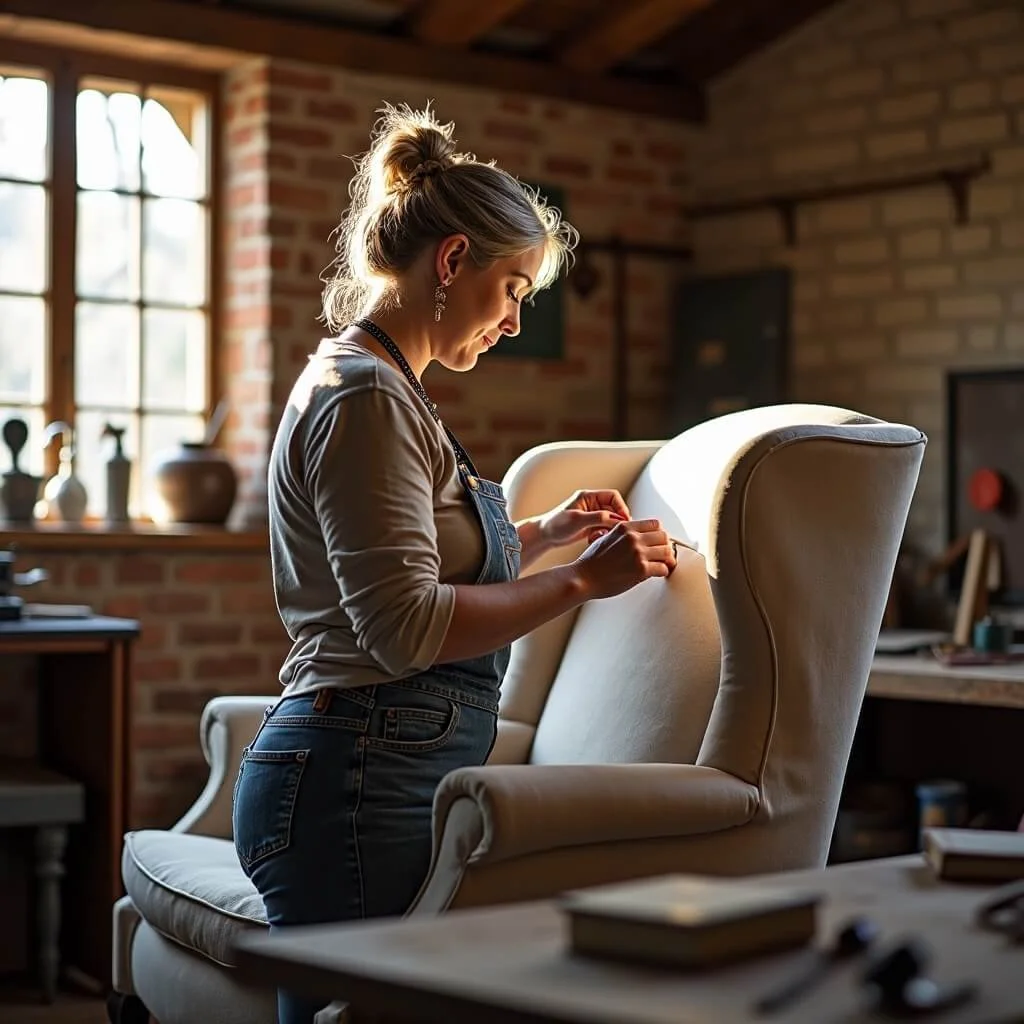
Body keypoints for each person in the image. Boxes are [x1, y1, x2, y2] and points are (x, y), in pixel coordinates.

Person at [231, 103, 677, 1024]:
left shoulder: (380, 386)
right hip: (358, 777)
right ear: (451, 262)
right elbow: (405, 627)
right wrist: (584, 583)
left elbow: (412, 550)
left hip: (357, 769)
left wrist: (537, 532)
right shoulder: (369, 397)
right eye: (513, 289)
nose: (514, 322)